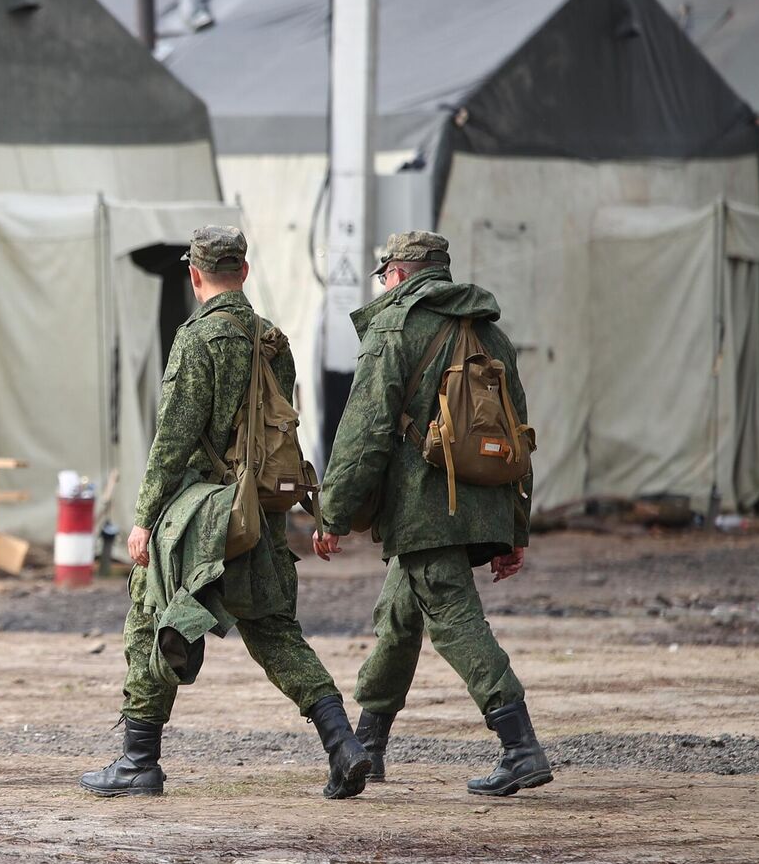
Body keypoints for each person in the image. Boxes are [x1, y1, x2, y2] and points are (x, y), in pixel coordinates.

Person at [79, 226, 371, 800]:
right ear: (244, 271)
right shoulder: (272, 341)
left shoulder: (199, 340)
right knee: (275, 632)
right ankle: (344, 743)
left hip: (198, 516)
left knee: (151, 615)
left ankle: (139, 759)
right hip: (258, 515)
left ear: (194, 274)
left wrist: (143, 518)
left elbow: (173, 440)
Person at [312, 231, 550, 797]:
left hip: (425, 511)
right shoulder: (491, 332)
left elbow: (363, 432)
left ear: (395, 274)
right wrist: (517, 529)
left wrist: (332, 513)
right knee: (398, 618)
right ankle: (369, 745)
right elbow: (519, 438)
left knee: (453, 617)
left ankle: (520, 746)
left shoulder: (394, 329)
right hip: (481, 502)